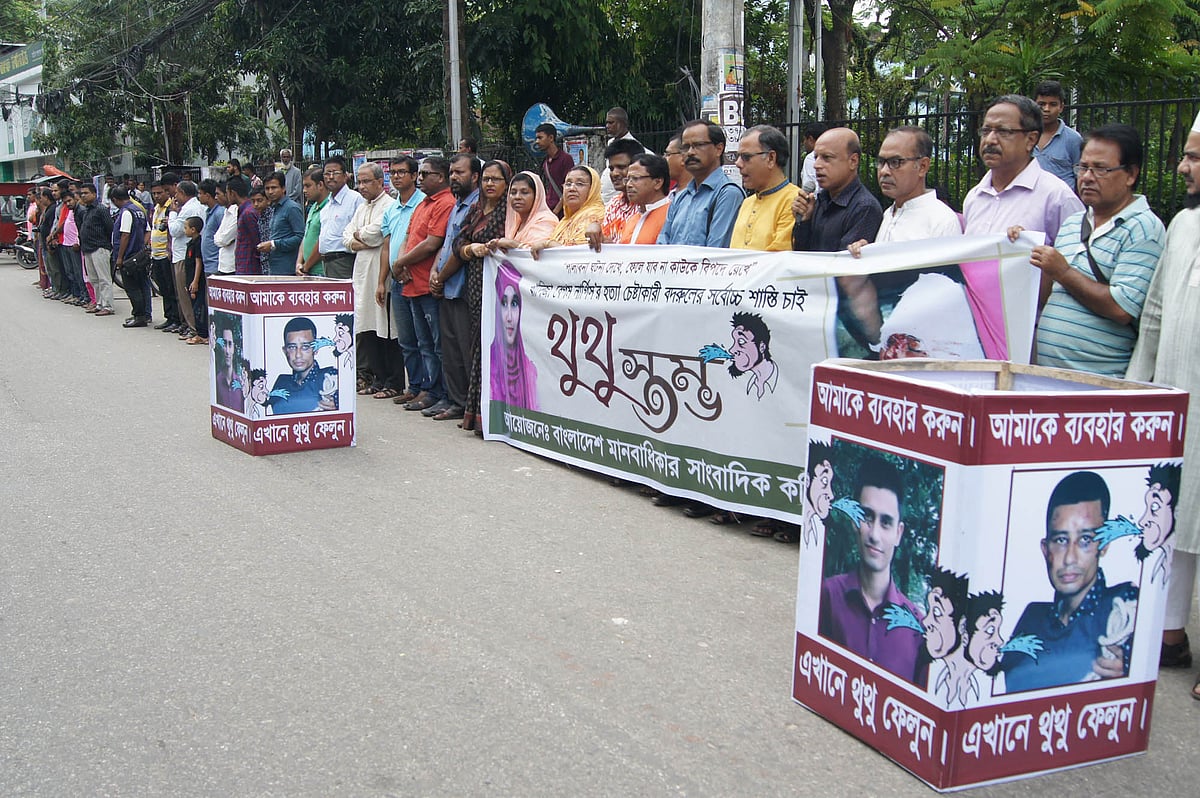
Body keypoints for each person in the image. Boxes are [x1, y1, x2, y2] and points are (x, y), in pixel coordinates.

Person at [1125, 110, 1200, 698]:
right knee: (1178, 514)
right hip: (1178, 391)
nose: (1182, 166)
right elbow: (1152, 313)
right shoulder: (1183, 224)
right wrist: (1138, 386)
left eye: (1195, 157)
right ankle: (1170, 635)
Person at [1029, 124, 1165, 376]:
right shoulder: (1073, 223)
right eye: (1083, 167)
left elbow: (1121, 309)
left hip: (1101, 384)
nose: (1087, 177)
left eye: (1101, 169)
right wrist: (1028, 252)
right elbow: (1048, 296)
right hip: (1050, 378)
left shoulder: (1143, 229)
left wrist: (1064, 272)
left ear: (1130, 174)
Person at [1004, 471, 1138, 692]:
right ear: (1045, 549)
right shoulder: (1031, 620)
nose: (1069, 558)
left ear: (1104, 545)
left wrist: (1133, 670)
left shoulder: (1125, 607)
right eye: (1061, 540)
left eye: (1085, 540)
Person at [818, 456, 927, 686]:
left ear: (898, 533)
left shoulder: (919, 629)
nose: (875, 535)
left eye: (886, 522)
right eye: (867, 517)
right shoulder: (827, 597)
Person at [792, 127, 885, 351]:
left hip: (845, 324)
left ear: (853, 161)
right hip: (815, 311)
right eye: (816, 157)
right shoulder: (820, 201)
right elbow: (803, 257)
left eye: (827, 158)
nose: (817, 165)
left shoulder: (864, 207)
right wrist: (804, 222)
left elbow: (843, 273)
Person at [964, 94, 1083, 245]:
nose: (990, 140)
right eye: (986, 131)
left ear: (1031, 139)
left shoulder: (1057, 197)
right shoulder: (974, 197)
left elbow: (1077, 257)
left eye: (1003, 131)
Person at [388, 157, 456, 413]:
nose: (420, 178)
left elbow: (432, 243)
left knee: (437, 346)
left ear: (441, 177)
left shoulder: (445, 203)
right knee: (421, 343)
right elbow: (408, 237)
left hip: (428, 285)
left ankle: (443, 393)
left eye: (425, 174)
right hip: (410, 281)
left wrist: (400, 262)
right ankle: (427, 389)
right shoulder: (423, 203)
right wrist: (401, 263)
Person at [454, 162, 514, 432]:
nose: (490, 184)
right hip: (475, 283)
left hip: (499, 287)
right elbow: (458, 241)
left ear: (507, 183)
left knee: (492, 345)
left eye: (496, 179)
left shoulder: (510, 212)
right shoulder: (477, 209)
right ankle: (475, 412)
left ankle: (491, 416)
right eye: (486, 179)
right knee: (476, 345)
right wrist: (470, 250)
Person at [847, 126, 962, 256]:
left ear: (922, 166)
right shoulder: (888, 214)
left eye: (895, 162)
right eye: (881, 162)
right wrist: (866, 255)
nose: (884, 171)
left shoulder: (941, 221)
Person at [429, 154, 484, 422]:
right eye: (451, 172)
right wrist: (434, 271)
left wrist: (440, 276)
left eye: (459, 172)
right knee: (449, 349)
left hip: (462, 287)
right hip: (446, 286)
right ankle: (454, 400)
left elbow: (460, 250)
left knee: (464, 350)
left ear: (475, 176)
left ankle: (465, 404)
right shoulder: (457, 204)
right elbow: (446, 243)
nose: (453, 177)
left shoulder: (476, 205)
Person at [342, 162, 397, 399]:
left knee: (385, 328)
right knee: (366, 327)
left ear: (380, 182)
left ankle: (392, 381)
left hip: (380, 273)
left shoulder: (390, 205)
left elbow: (375, 235)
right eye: (359, 182)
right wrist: (359, 239)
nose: (361, 186)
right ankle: (377, 379)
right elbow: (346, 237)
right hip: (362, 272)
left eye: (366, 181)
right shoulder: (362, 208)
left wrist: (360, 237)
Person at [371, 157, 424, 399]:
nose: (396, 176)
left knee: (424, 339)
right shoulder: (391, 208)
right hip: (396, 279)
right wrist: (381, 281)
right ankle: (413, 387)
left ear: (414, 176)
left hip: (417, 277)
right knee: (405, 339)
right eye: (392, 172)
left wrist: (406, 263)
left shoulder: (423, 203)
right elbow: (386, 246)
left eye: (402, 172)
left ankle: (428, 389)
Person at [657, 120, 745, 247]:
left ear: (719, 149)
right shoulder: (681, 197)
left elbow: (716, 251)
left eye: (698, 145)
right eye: (685, 147)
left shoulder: (727, 194)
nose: (690, 152)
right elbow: (662, 243)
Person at [730, 124, 800, 251]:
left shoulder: (794, 200)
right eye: (737, 156)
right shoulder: (747, 203)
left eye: (746, 157)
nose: (738, 163)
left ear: (771, 158)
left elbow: (779, 256)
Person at [490, 261, 539, 411]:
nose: (509, 317)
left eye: (515, 304)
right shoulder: (488, 364)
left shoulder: (530, 372)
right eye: (504, 303)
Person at [529, 165, 605, 256]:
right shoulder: (564, 221)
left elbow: (579, 256)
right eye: (568, 184)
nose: (571, 188)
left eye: (580, 184)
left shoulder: (596, 215)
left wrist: (548, 244)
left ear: (592, 189)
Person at [269, 316, 339, 414]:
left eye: (305, 347)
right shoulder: (281, 383)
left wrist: (339, 407)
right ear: (285, 351)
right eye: (292, 347)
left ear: (316, 349)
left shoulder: (331, 378)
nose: (298, 355)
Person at [585, 138, 644, 248]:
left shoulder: (647, 205)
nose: (614, 173)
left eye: (621, 167)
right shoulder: (614, 204)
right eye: (611, 168)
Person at [169, 180, 206, 339]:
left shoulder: (188, 209)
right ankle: (190, 325)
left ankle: (193, 328)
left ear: (183, 193)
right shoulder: (195, 206)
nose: (175, 196)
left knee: (186, 295)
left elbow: (174, 230)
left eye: (177, 193)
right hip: (184, 254)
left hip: (184, 256)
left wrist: (172, 213)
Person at [110, 187, 152, 328]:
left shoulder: (126, 212)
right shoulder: (138, 210)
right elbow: (147, 231)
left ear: (115, 199)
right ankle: (144, 314)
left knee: (132, 288)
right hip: (138, 256)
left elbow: (125, 235)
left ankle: (139, 316)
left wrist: (120, 257)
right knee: (142, 285)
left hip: (129, 257)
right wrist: (142, 248)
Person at [319, 155, 364, 279]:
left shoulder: (355, 199)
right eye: (327, 173)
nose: (330, 177)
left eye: (335, 173)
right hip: (326, 263)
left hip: (344, 261)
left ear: (345, 176)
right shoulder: (327, 204)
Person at [1033, 80, 1083, 188]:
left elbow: (1080, 176)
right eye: (1041, 104)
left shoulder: (1073, 139)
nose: (1046, 109)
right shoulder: (1024, 137)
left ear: (1061, 107)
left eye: (1053, 104)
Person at [74, 183, 115, 317]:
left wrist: (106, 244)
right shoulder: (87, 210)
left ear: (94, 194)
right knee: (94, 279)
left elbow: (110, 228)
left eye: (86, 193)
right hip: (88, 248)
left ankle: (108, 306)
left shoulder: (101, 209)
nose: (83, 196)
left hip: (100, 247)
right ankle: (99, 303)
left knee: (104, 278)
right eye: (82, 193)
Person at [599, 106, 651, 202]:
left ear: (623, 123)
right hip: (611, 202)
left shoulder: (638, 150)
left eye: (611, 122)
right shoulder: (610, 144)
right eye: (606, 123)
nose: (607, 126)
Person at [616, 154, 671, 244]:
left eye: (635, 178)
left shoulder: (670, 215)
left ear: (658, 182)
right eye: (627, 179)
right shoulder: (632, 220)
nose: (628, 185)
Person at [257, 171, 305, 276]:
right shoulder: (275, 208)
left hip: (288, 269)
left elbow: (300, 238)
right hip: (275, 267)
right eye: (267, 188)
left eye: (274, 188)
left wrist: (274, 244)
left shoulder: (292, 208)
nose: (270, 192)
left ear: (283, 188)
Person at [535, 122, 574, 216]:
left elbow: (569, 187)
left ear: (551, 138)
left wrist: (556, 210)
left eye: (540, 138)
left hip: (562, 212)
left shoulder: (565, 159)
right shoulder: (546, 162)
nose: (537, 141)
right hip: (549, 209)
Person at [296, 166, 328, 276]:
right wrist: (299, 263)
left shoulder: (329, 207)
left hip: (321, 271)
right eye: (303, 186)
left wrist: (306, 266)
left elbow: (322, 242)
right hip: (307, 270)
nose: (304, 190)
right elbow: (306, 236)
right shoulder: (313, 207)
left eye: (308, 186)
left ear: (320, 185)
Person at [227, 176, 261, 277]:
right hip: (244, 263)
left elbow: (257, 241)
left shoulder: (248, 213)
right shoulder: (243, 210)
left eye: (227, 192)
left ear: (232, 193)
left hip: (249, 265)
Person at [183, 216, 209, 345]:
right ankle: (199, 333)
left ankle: (203, 334)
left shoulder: (198, 243)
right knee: (194, 306)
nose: (184, 230)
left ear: (193, 229)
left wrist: (195, 281)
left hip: (196, 280)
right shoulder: (191, 243)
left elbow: (198, 263)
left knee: (199, 307)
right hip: (190, 279)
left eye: (186, 228)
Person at [214, 323, 243, 412]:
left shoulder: (241, 384)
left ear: (234, 348)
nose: (227, 351)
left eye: (230, 344)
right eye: (224, 344)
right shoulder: (216, 381)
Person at [213, 180, 238, 275]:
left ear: (227, 194)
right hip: (223, 264)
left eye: (218, 194)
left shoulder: (235, 212)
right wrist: (221, 240)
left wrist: (222, 240)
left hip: (232, 265)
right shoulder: (226, 212)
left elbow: (224, 240)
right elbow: (217, 238)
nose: (215, 198)